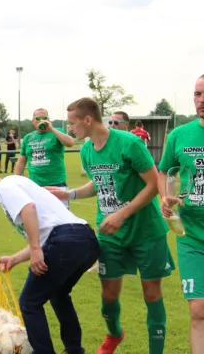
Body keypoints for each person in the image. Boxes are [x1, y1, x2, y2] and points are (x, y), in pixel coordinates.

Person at [49, 97, 174, 354]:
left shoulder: (129, 144)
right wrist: (69, 194)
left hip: (146, 232)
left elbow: (153, 185)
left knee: (151, 294)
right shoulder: (86, 150)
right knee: (109, 297)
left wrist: (122, 214)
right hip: (110, 234)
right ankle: (115, 333)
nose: (69, 129)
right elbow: (100, 183)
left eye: (72, 123)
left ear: (87, 119)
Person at [0, 167, 99, 354]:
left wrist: (37, 250)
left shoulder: (4, 186)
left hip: (64, 240)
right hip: (86, 240)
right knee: (59, 294)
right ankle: (74, 350)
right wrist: (15, 258)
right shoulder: (17, 183)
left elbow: (30, 210)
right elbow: (46, 232)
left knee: (29, 303)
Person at [157, 74, 204, 353]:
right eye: (197, 93)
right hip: (191, 234)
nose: (201, 99)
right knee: (198, 308)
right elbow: (165, 170)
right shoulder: (179, 135)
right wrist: (166, 194)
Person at [14, 108, 75, 208]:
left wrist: (52, 129)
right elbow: (21, 161)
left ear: (49, 120)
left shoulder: (56, 132)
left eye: (45, 118)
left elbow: (70, 143)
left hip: (57, 184)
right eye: (38, 118)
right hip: (35, 185)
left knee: (61, 218)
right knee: (39, 218)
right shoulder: (28, 138)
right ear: (33, 121)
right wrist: (15, 180)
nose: (42, 120)